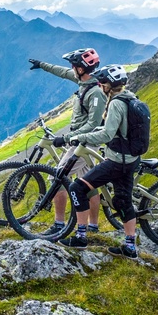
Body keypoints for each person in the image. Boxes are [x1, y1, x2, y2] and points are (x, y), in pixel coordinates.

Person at [59, 64, 142, 258]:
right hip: (130, 159)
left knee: (77, 188)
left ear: (108, 84)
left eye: (102, 81)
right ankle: (130, 248)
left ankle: (80, 236)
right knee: (123, 201)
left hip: (116, 161)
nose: (100, 84)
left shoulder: (115, 103)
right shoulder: (132, 98)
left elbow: (107, 134)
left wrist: (82, 138)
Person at [28, 48, 106, 234]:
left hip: (84, 142)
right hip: (80, 141)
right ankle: (93, 227)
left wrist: (67, 138)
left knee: (58, 177)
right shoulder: (83, 81)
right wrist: (42, 65)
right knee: (88, 183)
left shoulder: (96, 92)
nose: (71, 67)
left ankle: (58, 224)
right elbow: (61, 72)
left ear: (83, 68)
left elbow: (94, 124)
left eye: (75, 65)